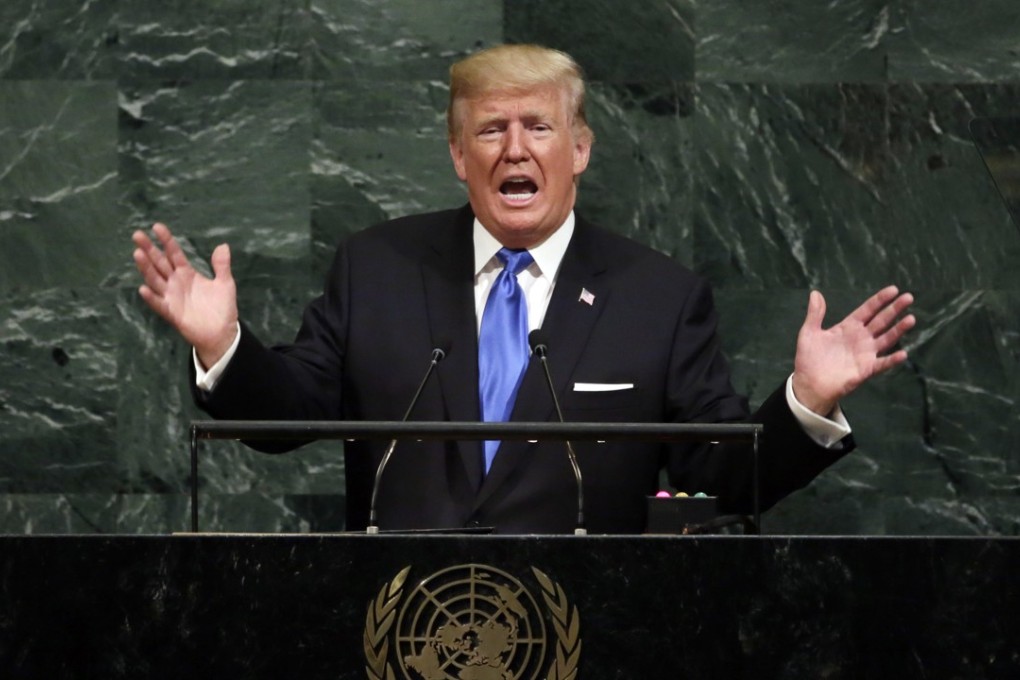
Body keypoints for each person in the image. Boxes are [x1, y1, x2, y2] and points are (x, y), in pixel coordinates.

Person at [132, 44, 915, 534]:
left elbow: (718, 475)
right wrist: (223, 348)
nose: (515, 149)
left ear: (578, 149)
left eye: (538, 128)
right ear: (456, 154)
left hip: (590, 632)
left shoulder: (659, 295)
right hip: (402, 628)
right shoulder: (377, 268)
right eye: (490, 129)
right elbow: (289, 417)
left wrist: (805, 403)